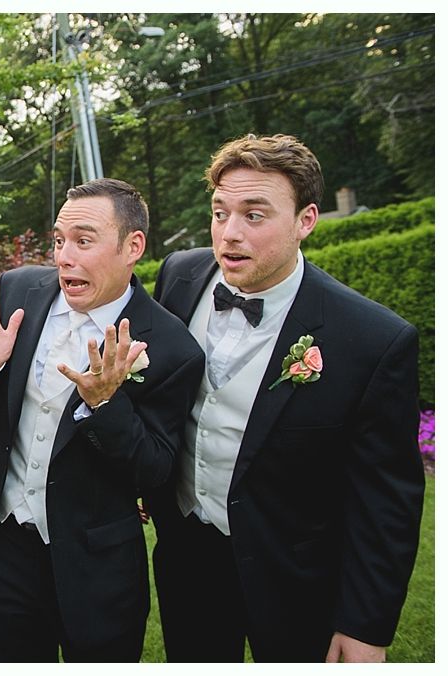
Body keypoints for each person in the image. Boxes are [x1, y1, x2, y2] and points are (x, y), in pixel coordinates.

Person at [147, 133, 425, 662]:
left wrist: (365, 624)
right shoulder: (180, 276)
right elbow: (162, 389)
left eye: (254, 215)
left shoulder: (371, 340)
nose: (229, 233)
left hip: (296, 572)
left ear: (306, 220)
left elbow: (386, 501)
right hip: (187, 554)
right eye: (220, 212)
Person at [0, 178, 205, 662]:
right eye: (58, 241)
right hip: (3, 543)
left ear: (133, 246)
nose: (64, 256)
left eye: (83, 241)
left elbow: (155, 470)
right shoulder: (19, 289)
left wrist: (107, 407)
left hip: (97, 565)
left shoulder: (172, 347)